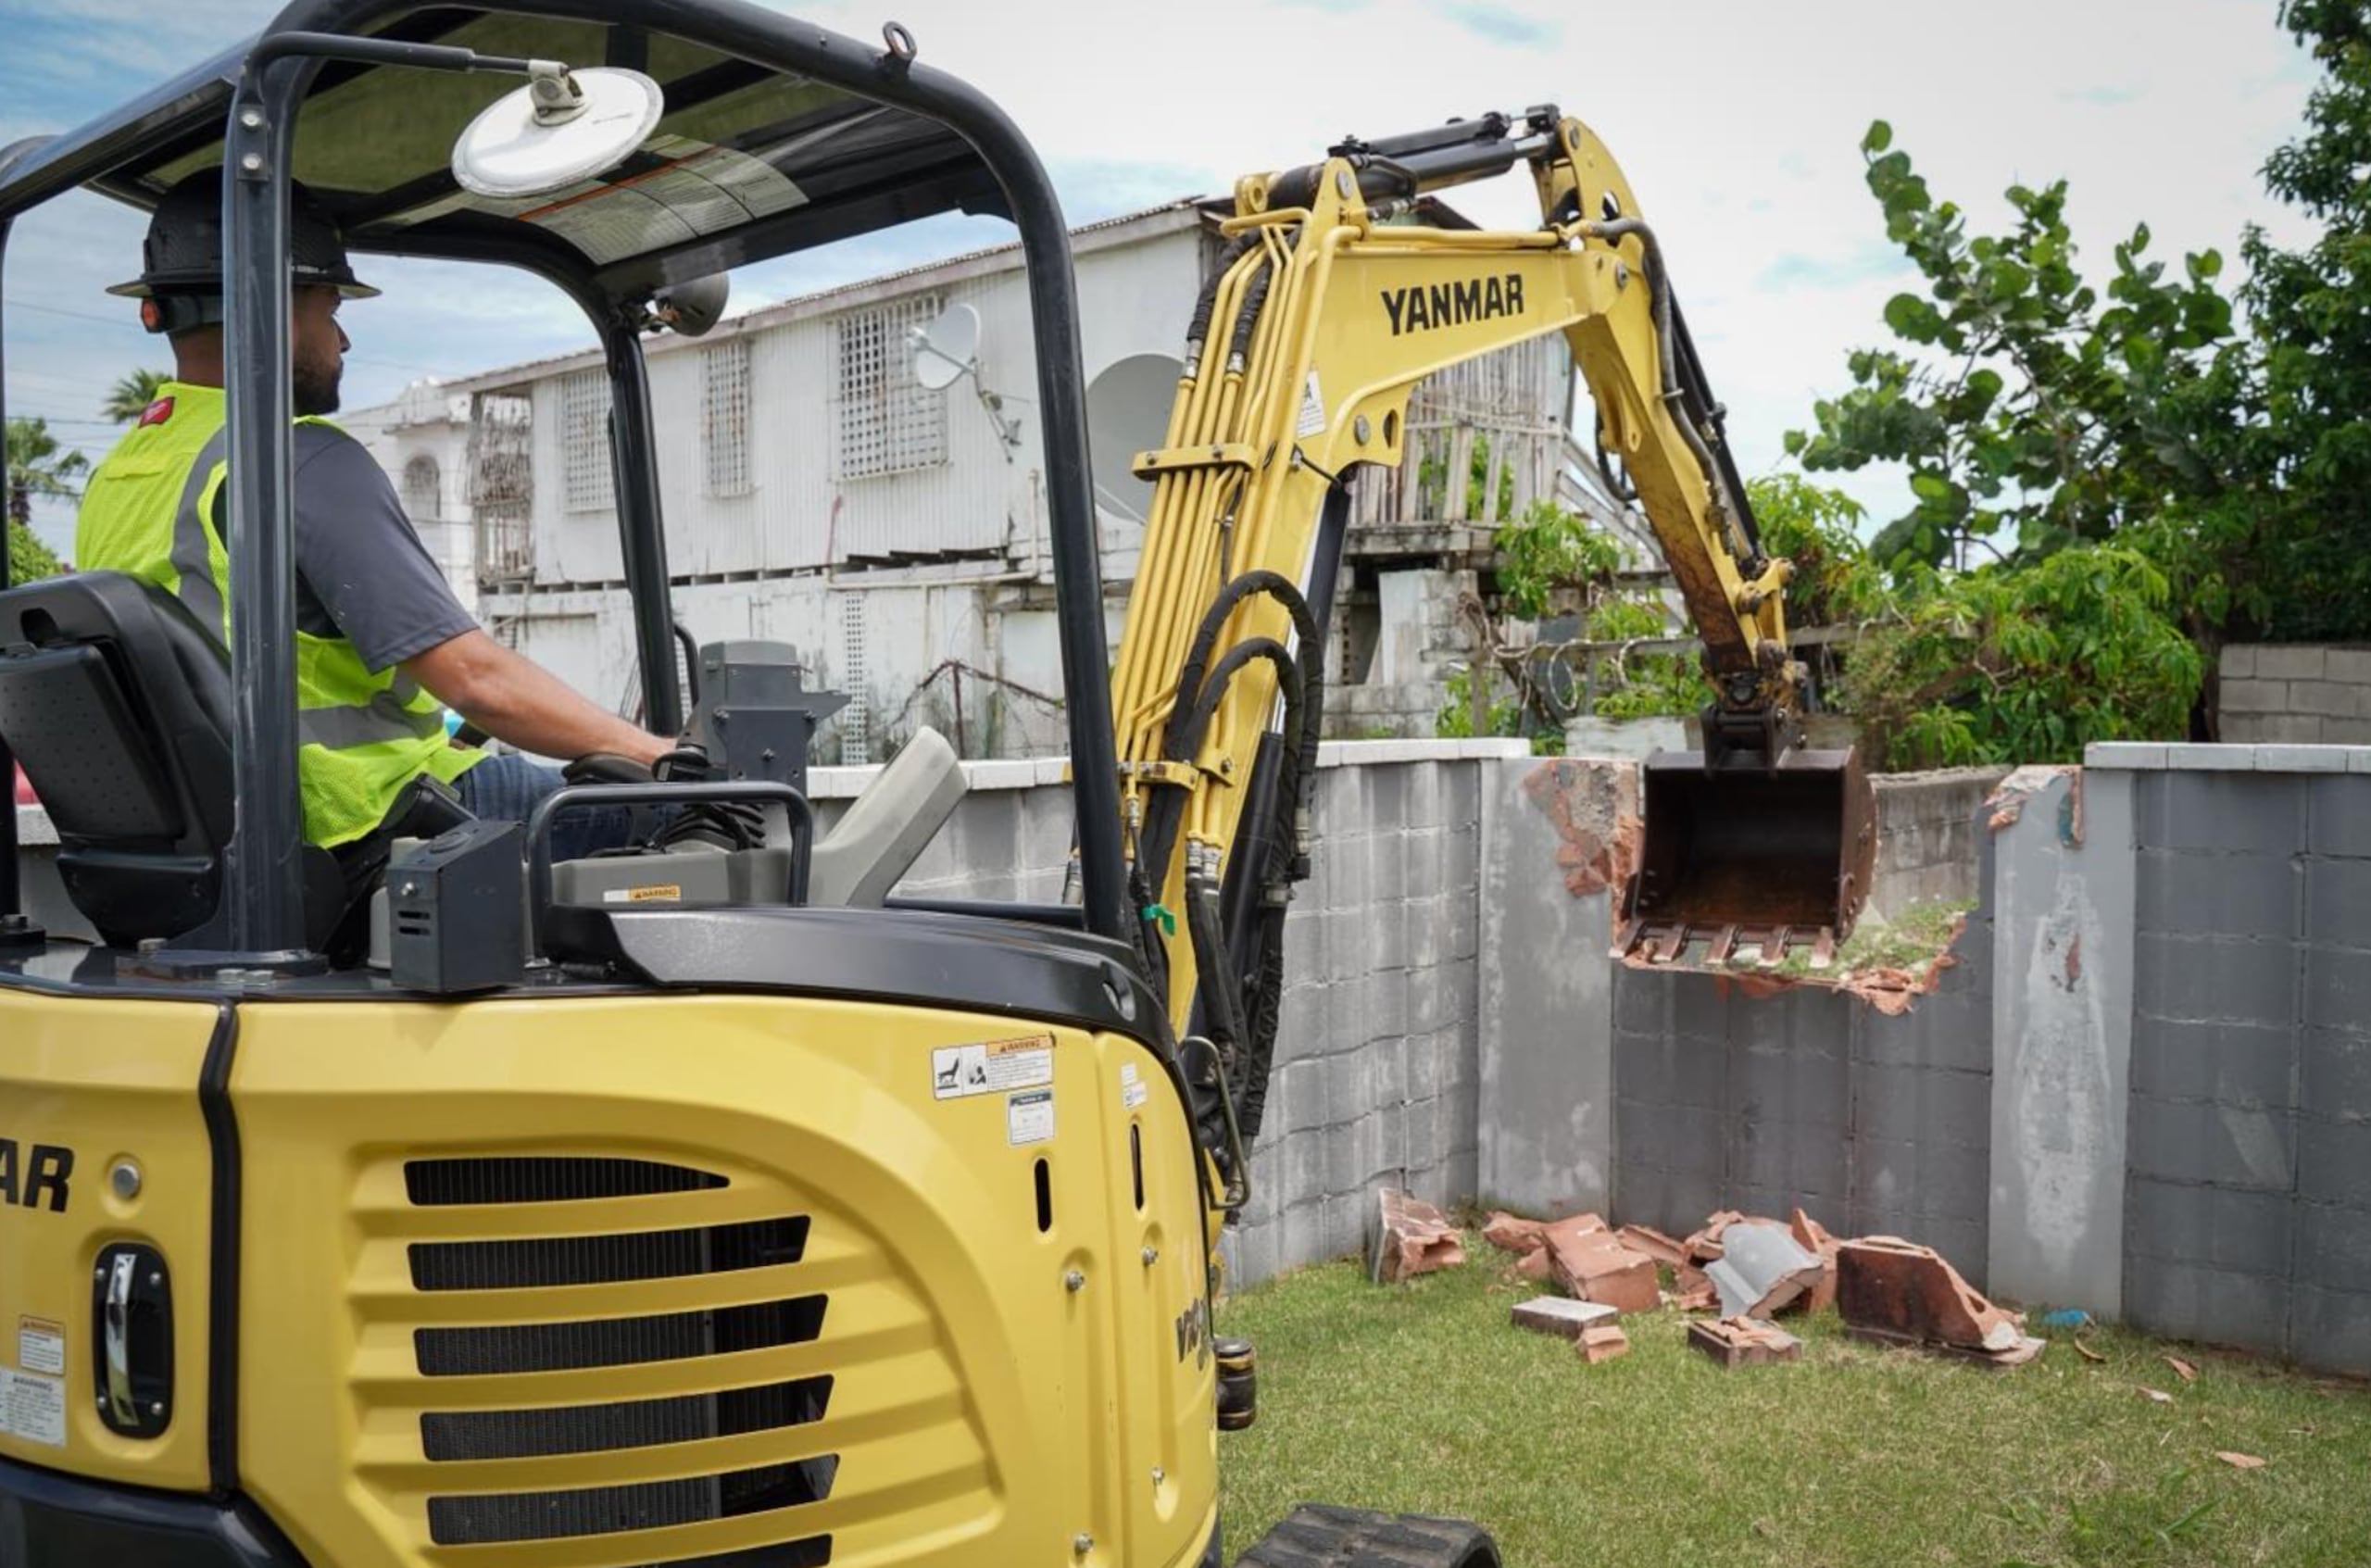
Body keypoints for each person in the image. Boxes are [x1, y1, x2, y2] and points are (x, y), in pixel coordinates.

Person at [76, 169, 671, 862]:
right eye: (332, 310)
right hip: (362, 822)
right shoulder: (293, 458)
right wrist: (653, 752)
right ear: (276, 304)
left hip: (225, 843)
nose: (343, 342)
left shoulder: (115, 478)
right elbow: (476, 681)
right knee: (681, 809)